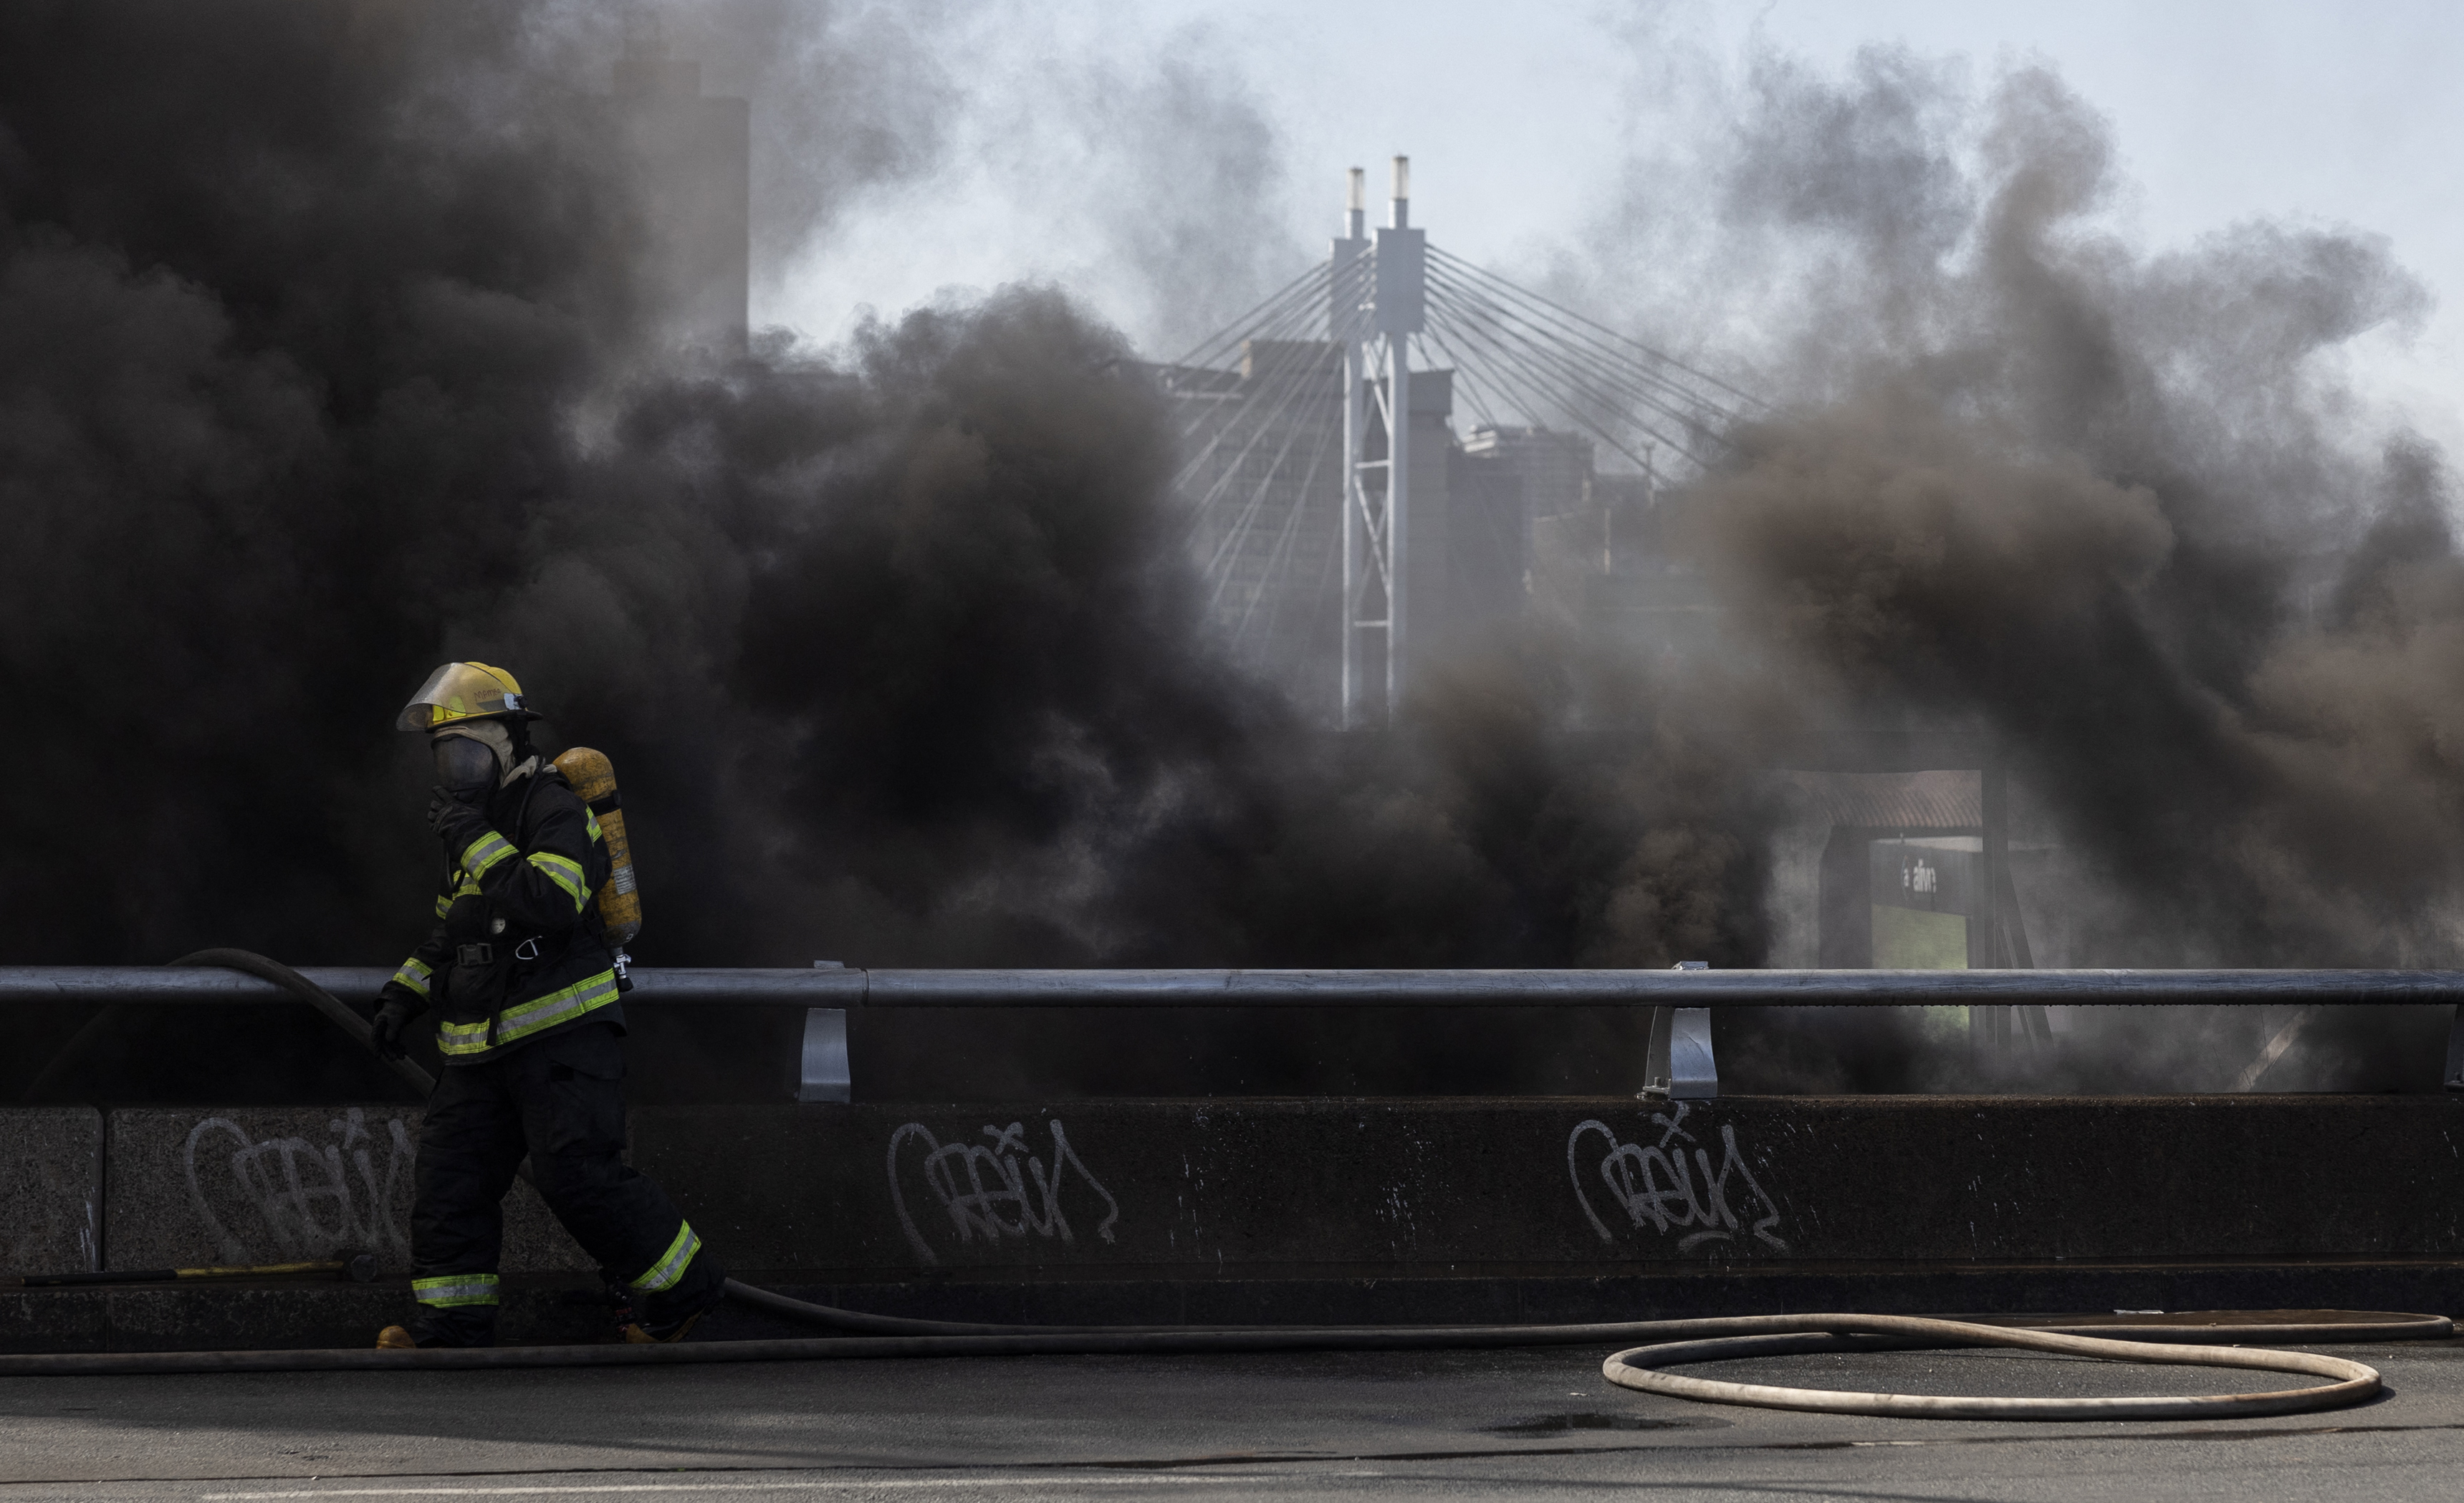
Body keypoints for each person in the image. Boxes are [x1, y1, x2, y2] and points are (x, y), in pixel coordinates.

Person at [368, 661, 724, 1348]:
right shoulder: (471, 829)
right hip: (476, 1046)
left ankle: (683, 1296)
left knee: (579, 1179)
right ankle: (452, 1329)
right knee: (450, 1187)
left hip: (562, 1036)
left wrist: (472, 837)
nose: (455, 767)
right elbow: (454, 927)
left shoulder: (555, 809)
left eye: (468, 749)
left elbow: (553, 903)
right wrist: (403, 994)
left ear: (510, 740)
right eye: (445, 754)